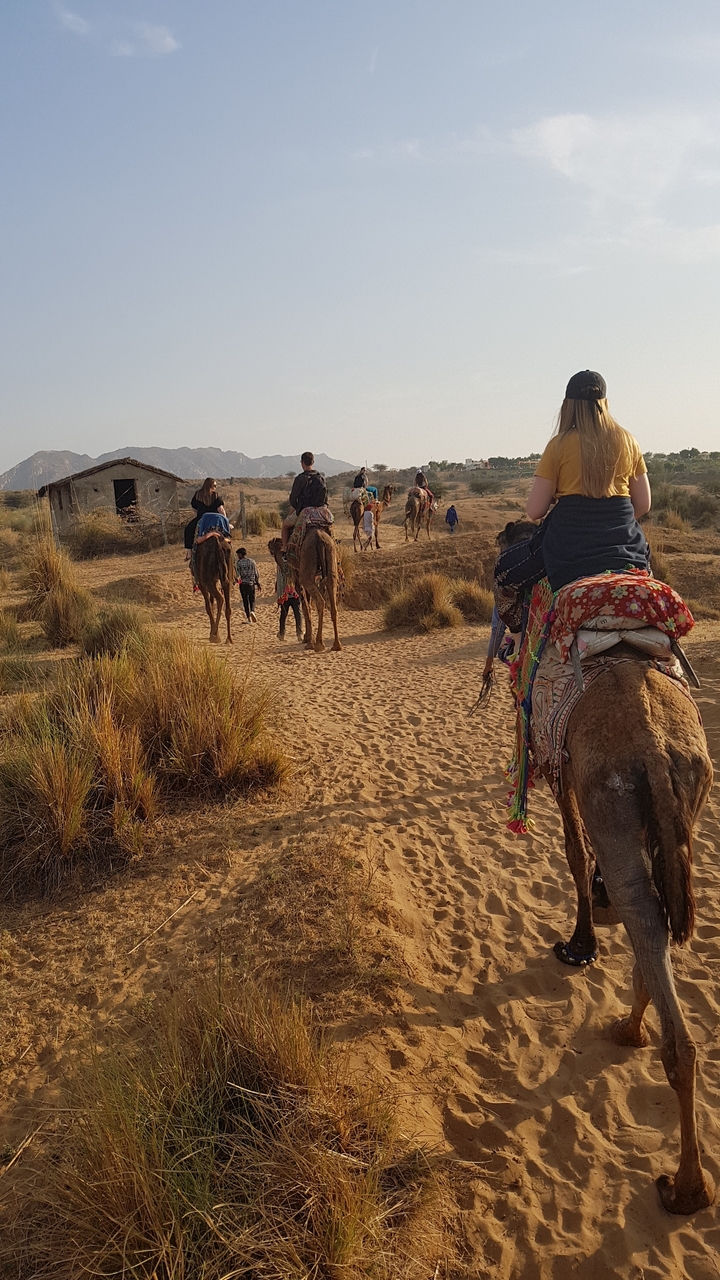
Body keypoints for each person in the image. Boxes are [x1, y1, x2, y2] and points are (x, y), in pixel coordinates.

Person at [525, 370, 651, 592]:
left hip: (568, 553)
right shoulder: (628, 441)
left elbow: (535, 510)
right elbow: (642, 505)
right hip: (626, 547)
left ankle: (520, 627)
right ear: (605, 403)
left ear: (568, 406)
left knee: (505, 574)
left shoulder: (558, 445)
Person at [281, 451, 330, 550]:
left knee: (285, 526)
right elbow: (325, 498)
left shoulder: (300, 479)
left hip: (305, 511)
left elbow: (293, 500)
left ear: (302, 463)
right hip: (321, 511)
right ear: (313, 462)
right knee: (330, 526)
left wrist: (297, 508)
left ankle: (285, 550)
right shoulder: (321, 478)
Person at [184, 478, 226, 560]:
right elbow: (221, 510)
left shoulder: (198, 494)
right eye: (214, 485)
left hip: (202, 518)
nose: (215, 487)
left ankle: (189, 551)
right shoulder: (216, 495)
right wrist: (225, 520)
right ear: (209, 485)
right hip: (215, 519)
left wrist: (201, 511)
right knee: (226, 532)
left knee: (188, 530)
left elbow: (194, 508)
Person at [274, 550, 303, 641]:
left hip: (285, 595)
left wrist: (279, 595)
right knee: (297, 614)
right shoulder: (295, 567)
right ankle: (299, 633)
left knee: (283, 615)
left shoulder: (280, 568)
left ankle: (282, 633)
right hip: (295, 594)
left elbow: (279, 582)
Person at [235, 546, 261, 623]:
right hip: (251, 584)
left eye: (238, 555)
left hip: (243, 584)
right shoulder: (252, 561)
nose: (237, 556)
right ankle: (252, 611)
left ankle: (249, 619)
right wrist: (258, 583)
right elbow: (256, 573)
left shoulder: (238, 563)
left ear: (240, 554)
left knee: (245, 601)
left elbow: (237, 575)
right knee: (252, 599)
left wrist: (235, 582)